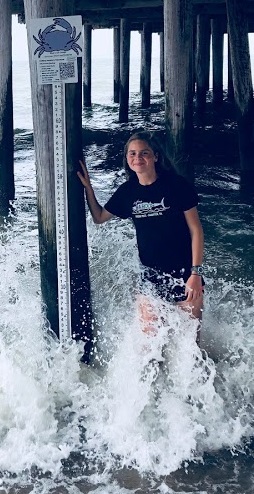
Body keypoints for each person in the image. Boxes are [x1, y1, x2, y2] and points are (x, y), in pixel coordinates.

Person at [77, 131, 204, 343]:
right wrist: (89, 188)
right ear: (127, 159)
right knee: (150, 347)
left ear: (155, 156)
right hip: (150, 276)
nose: (138, 158)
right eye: (132, 154)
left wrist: (196, 273)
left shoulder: (176, 185)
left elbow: (196, 230)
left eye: (144, 153)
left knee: (190, 346)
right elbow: (99, 217)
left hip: (185, 273)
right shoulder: (127, 192)